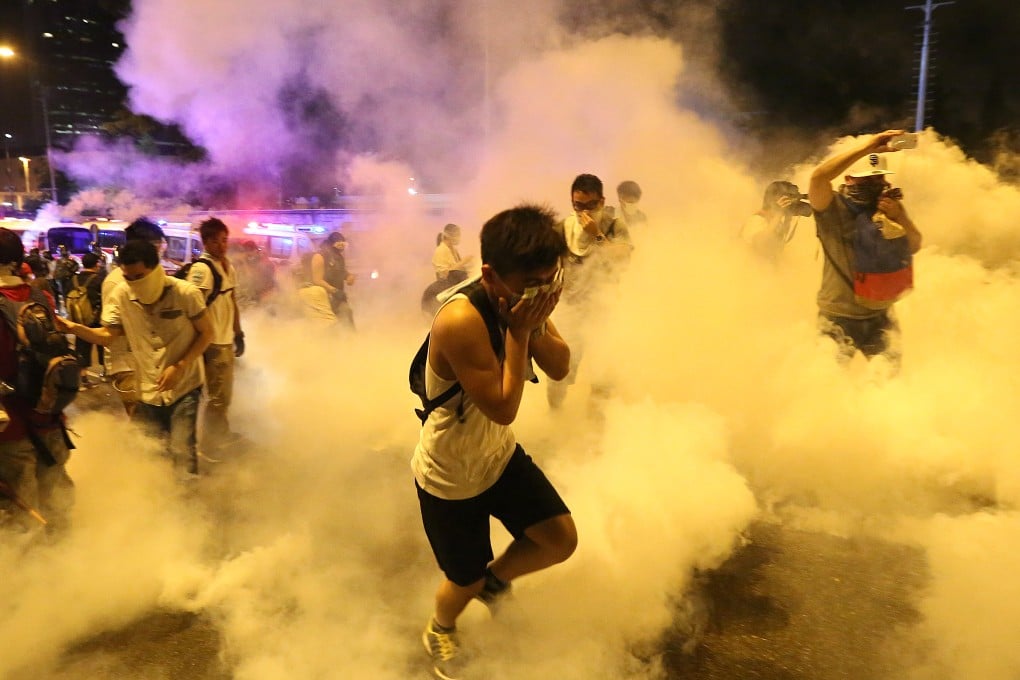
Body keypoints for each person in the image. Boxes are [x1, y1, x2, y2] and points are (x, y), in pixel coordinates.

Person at [414, 204, 577, 679]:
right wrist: (522, 331)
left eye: (551, 280)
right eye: (534, 284)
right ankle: (441, 628)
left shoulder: (524, 295)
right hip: (451, 471)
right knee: (461, 578)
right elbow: (504, 406)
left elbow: (561, 367)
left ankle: (496, 583)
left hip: (496, 454)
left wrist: (535, 319)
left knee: (559, 540)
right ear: (490, 273)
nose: (543, 292)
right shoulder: (461, 319)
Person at [57, 239, 214, 477]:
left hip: (185, 386)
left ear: (155, 267)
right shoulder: (121, 294)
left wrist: (180, 366)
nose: (133, 283)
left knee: (182, 449)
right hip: (148, 387)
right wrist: (73, 328)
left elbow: (207, 333)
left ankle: (188, 502)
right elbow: (109, 335)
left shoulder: (185, 293)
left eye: (139, 276)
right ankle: (159, 498)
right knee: (150, 451)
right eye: (127, 277)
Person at [808, 129, 922, 371]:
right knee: (826, 388)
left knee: (887, 388)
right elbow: (818, 179)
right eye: (866, 179)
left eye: (878, 179)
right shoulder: (831, 208)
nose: (873, 184)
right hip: (836, 318)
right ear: (848, 179)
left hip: (880, 317)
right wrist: (868, 148)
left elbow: (914, 245)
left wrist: (899, 216)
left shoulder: (887, 210)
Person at [0, 228, 74, 533]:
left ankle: (35, 576)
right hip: (49, 415)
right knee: (58, 504)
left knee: (24, 514)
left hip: (9, 426)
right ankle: (75, 564)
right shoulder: (39, 296)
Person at [548, 173, 632, 409]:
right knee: (560, 372)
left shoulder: (614, 224)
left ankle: (594, 429)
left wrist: (596, 234)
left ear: (602, 201)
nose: (583, 212)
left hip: (603, 310)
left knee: (602, 372)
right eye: (578, 206)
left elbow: (622, 258)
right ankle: (553, 419)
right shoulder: (562, 228)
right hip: (568, 309)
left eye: (590, 205)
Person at [187, 218, 244, 454]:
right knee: (218, 395)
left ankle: (221, 432)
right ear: (207, 242)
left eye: (225, 240)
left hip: (225, 339)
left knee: (223, 393)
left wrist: (238, 332)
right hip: (213, 342)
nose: (223, 245)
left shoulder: (227, 266)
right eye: (217, 241)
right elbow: (193, 305)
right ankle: (210, 444)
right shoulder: (202, 269)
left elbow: (231, 300)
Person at [103, 218, 166, 415]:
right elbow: (112, 330)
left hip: (148, 362)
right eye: (157, 246)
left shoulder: (151, 275)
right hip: (128, 364)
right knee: (142, 425)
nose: (160, 251)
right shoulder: (117, 283)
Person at [739, 180, 812, 261]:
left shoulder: (778, 221)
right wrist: (779, 213)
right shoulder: (757, 219)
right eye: (789, 201)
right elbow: (760, 242)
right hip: (751, 269)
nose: (794, 205)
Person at [69, 252, 107, 387]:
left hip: (79, 318)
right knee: (102, 344)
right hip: (97, 317)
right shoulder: (100, 279)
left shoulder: (74, 279)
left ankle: (83, 375)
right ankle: (105, 372)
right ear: (97, 264)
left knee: (82, 345)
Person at [422, 224, 475, 317]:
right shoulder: (441, 250)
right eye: (457, 235)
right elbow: (447, 273)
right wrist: (464, 261)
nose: (459, 238)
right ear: (450, 236)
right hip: (445, 286)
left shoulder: (454, 250)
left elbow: (459, 269)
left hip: (453, 283)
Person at [310, 231, 355, 329]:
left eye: (343, 245)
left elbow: (341, 272)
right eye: (339, 245)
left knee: (347, 315)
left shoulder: (339, 257)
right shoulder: (319, 257)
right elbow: (317, 280)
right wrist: (334, 291)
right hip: (323, 297)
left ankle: (352, 341)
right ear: (331, 244)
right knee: (330, 324)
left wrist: (349, 276)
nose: (342, 248)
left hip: (338, 296)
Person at [52, 244, 79, 311]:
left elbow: (75, 268)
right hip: (63, 282)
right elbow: (56, 273)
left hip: (67, 282)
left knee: (70, 297)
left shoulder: (69, 261)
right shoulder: (59, 262)